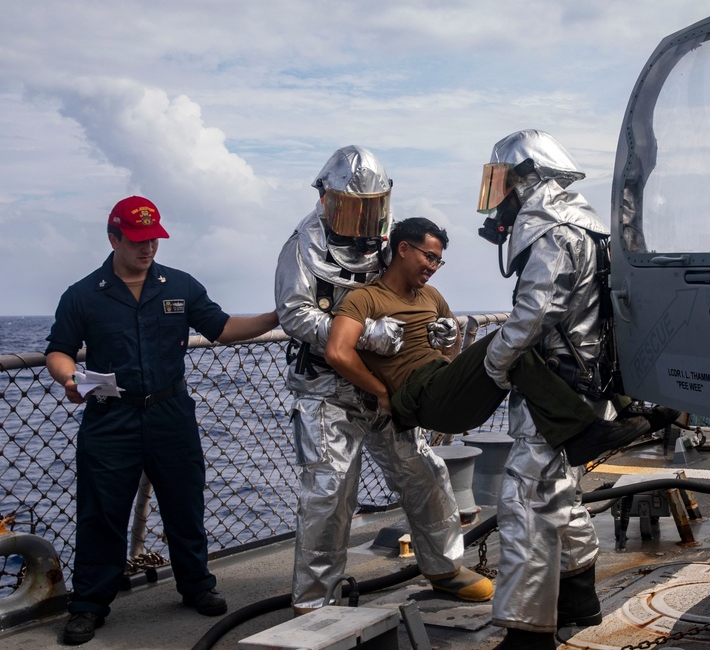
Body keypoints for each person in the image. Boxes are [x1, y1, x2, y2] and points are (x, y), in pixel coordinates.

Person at [45, 195, 280, 645]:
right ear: (113, 238)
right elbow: (58, 349)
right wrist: (68, 376)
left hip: (171, 414)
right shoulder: (81, 295)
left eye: (153, 238)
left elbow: (224, 328)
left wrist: (278, 315)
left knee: (184, 504)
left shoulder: (181, 286)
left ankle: (196, 587)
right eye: (136, 240)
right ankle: (90, 604)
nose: (147, 248)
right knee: (101, 513)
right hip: (110, 418)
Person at [274, 146, 493, 614]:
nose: (360, 218)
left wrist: (437, 336)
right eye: (352, 206)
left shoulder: (387, 245)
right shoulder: (301, 246)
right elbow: (294, 314)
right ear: (327, 200)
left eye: (370, 207)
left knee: (426, 474)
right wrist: (363, 336)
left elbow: (405, 295)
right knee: (330, 494)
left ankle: (444, 567)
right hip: (327, 391)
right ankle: (314, 605)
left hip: (386, 393)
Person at [324, 217, 650, 472]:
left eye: (439, 262)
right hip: (419, 399)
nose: (433, 267)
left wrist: (448, 352)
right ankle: (583, 433)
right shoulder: (365, 298)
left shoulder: (431, 296)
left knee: (541, 342)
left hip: (447, 388)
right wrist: (381, 393)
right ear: (404, 249)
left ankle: (625, 408)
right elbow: (338, 351)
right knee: (506, 340)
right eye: (429, 257)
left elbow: (451, 340)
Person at [478, 129, 623, 649]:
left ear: (524, 180)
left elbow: (534, 313)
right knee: (555, 487)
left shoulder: (553, 233)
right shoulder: (587, 226)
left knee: (522, 502)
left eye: (503, 184)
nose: (498, 198)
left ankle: (527, 631)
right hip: (585, 382)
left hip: (557, 387)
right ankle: (580, 593)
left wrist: (495, 363)